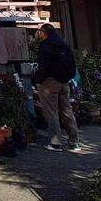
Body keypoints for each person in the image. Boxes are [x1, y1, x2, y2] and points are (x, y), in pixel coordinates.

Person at [32, 23, 80, 152]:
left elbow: (44, 66)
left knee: (51, 113)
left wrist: (37, 80)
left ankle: (56, 142)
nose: (38, 34)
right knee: (67, 111)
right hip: (64, 81)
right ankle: (74, 141)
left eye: (39, 31)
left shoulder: (46, 45)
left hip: (50, 82)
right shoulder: (62, 44)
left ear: (44, 33)